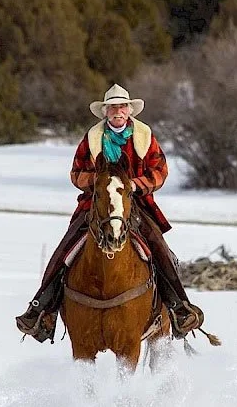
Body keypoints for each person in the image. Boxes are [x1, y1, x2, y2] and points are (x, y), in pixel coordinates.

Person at [16, 84, 204, 340]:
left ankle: (179, 307)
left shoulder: (144, 136)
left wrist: (136, 185)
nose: (118, 111)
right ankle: (41, 310)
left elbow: (160, 171)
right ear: (105, 111)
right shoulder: (92, 138)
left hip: (135, 204)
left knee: (158, 247)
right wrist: (97, 182)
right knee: (65, 249)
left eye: (122, 106)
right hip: (96, 205)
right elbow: (76, 173)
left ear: (129, 110)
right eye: (113, 107)